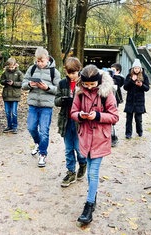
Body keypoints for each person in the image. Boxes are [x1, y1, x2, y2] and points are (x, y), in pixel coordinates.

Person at [70, 64, 119, 224]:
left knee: (92, 172)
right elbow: (73, 112)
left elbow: (114, 116)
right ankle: (93, 194)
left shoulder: (107, 92)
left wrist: (98, 116)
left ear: (98, 81)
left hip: (100, 138)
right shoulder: (79, 92)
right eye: (86, 84)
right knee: (91, 171)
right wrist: (81, 116)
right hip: (85, 137)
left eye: (92, 84)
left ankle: (89, 206)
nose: (89, 87)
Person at [22, 47, 61, 167]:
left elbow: (59, 89)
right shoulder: (32, 69)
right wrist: (30, 84)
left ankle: (43, 154)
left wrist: (47, 88)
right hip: (33, 105)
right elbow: (23, 85)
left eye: (42, 61)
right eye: (37, 61)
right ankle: (38, 143)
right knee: (31, 128)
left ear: (47, 59)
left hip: (46, 106)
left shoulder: (55, 72)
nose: (39, 63)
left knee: (44, 131)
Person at [55, 57, 86, 187]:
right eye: (69, 73)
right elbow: (56, 101)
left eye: (74, 73)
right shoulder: (62, 83)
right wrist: (63, 100)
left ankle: (83, 163)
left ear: (79, 70)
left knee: (79, 149)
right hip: (66, 121)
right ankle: (71, 171)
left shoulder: (84, 84)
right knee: (68, 149)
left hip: (80, 122)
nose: (71, 75)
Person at [123, 58, 150, 139]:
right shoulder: (129, 76)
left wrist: (141, 85)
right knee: (129, 119)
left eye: (138, 68)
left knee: (138, 119)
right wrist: (132, 80)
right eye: (135, 68)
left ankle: (140, 131)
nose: (136, 69)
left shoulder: (144, 76)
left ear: (140, 69)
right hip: (130, 100)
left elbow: (147, 88)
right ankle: (128, 133)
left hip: (139, 101)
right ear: (132, 68)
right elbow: (125, 87)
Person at [0, 57, 24, 134]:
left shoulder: (19, 73)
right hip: (7, 95)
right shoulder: (5, 72)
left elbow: (22, 83)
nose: (11, 68)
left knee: (14, 112)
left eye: (12, 66)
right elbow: (1, 81)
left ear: (15, 65)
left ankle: (15, 126)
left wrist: (13, 83)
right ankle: (9, 125)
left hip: (15, 95)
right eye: (9, 67)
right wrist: (5, 82)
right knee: (7, 112)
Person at [110, 63, 124, 147]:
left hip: (115, 100)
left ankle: (113, 137)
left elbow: (119, 83)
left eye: (113, 70)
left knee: (112, 118)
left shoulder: (119, 78)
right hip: (108, 99)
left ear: (118, 71)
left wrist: (113, 76)